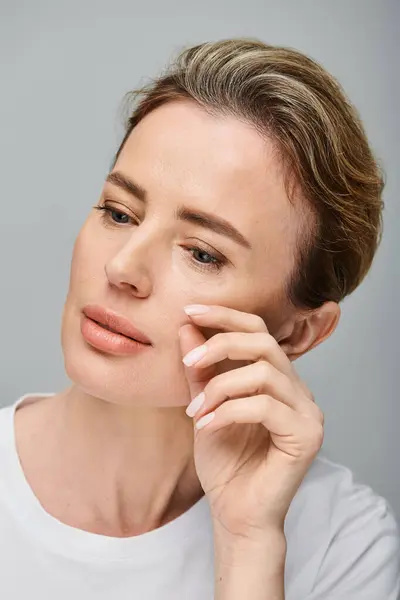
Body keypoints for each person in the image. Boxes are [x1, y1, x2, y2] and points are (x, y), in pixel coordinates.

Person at [0, 38, 398, 600]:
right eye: (119, 213)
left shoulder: (341, 541)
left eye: (202, 253)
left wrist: (248, 543)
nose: (122, 267)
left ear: (296, 331)